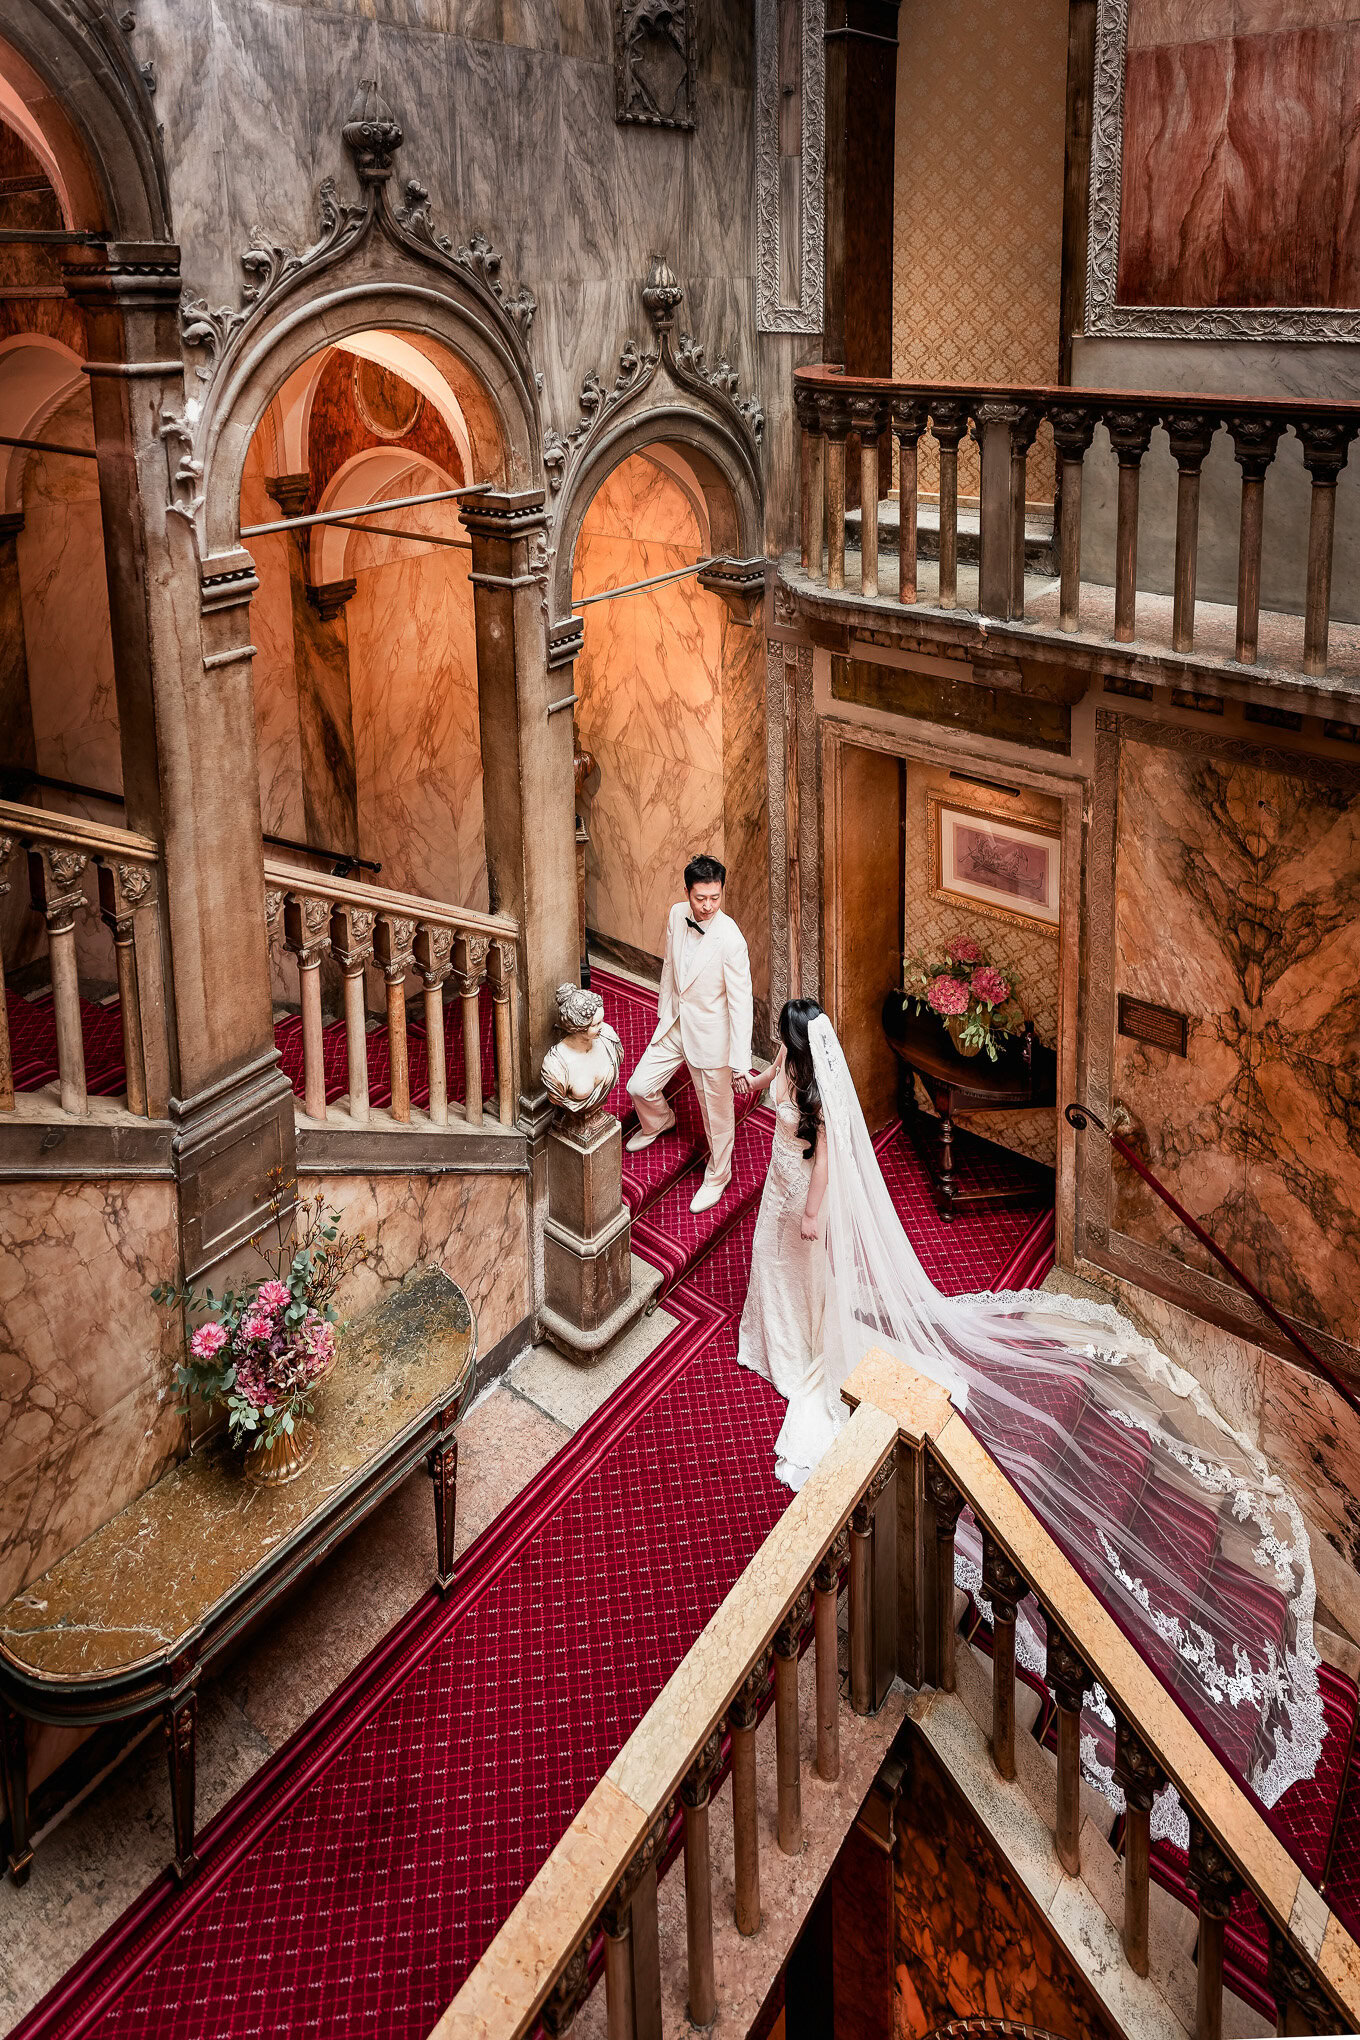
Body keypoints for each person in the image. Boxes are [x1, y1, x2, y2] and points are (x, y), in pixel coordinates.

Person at [739, 1006, 1324, 1833]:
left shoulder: (826, 1111)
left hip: (796, 1210)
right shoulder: (791, 1070)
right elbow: (775, 1093)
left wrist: (802, 1212)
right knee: (793, 1296)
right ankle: (787, 1339)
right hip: (782, 1203)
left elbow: (818, 1190)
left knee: (816, 1322)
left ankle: (801, 1351)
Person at [736, 999, 836, 1491]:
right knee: (765, 1258)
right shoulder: (787, 1057)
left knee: (795, 1268)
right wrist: (751, 1084)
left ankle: (798, 1350)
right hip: (776, 1179)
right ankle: (765, 1342)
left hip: (801, 1186)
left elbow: (824, 1162)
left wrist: (814, 1213)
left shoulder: (820, 1095)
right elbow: (769, 1076)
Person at [626, 854, 753, 1216]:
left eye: (716, 897)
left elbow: (742, 1004)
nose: (709, 905)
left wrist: (740, 1062)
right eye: (701, 898)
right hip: (677, 1024)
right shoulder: (675, 914)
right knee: (639, 1086)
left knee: (717, 1116)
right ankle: (660, 1119)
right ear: (687, 891)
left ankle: (718, 1175)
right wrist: (664, 1013)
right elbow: (669, 968)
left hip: (712, 1038)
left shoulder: (731, 940)